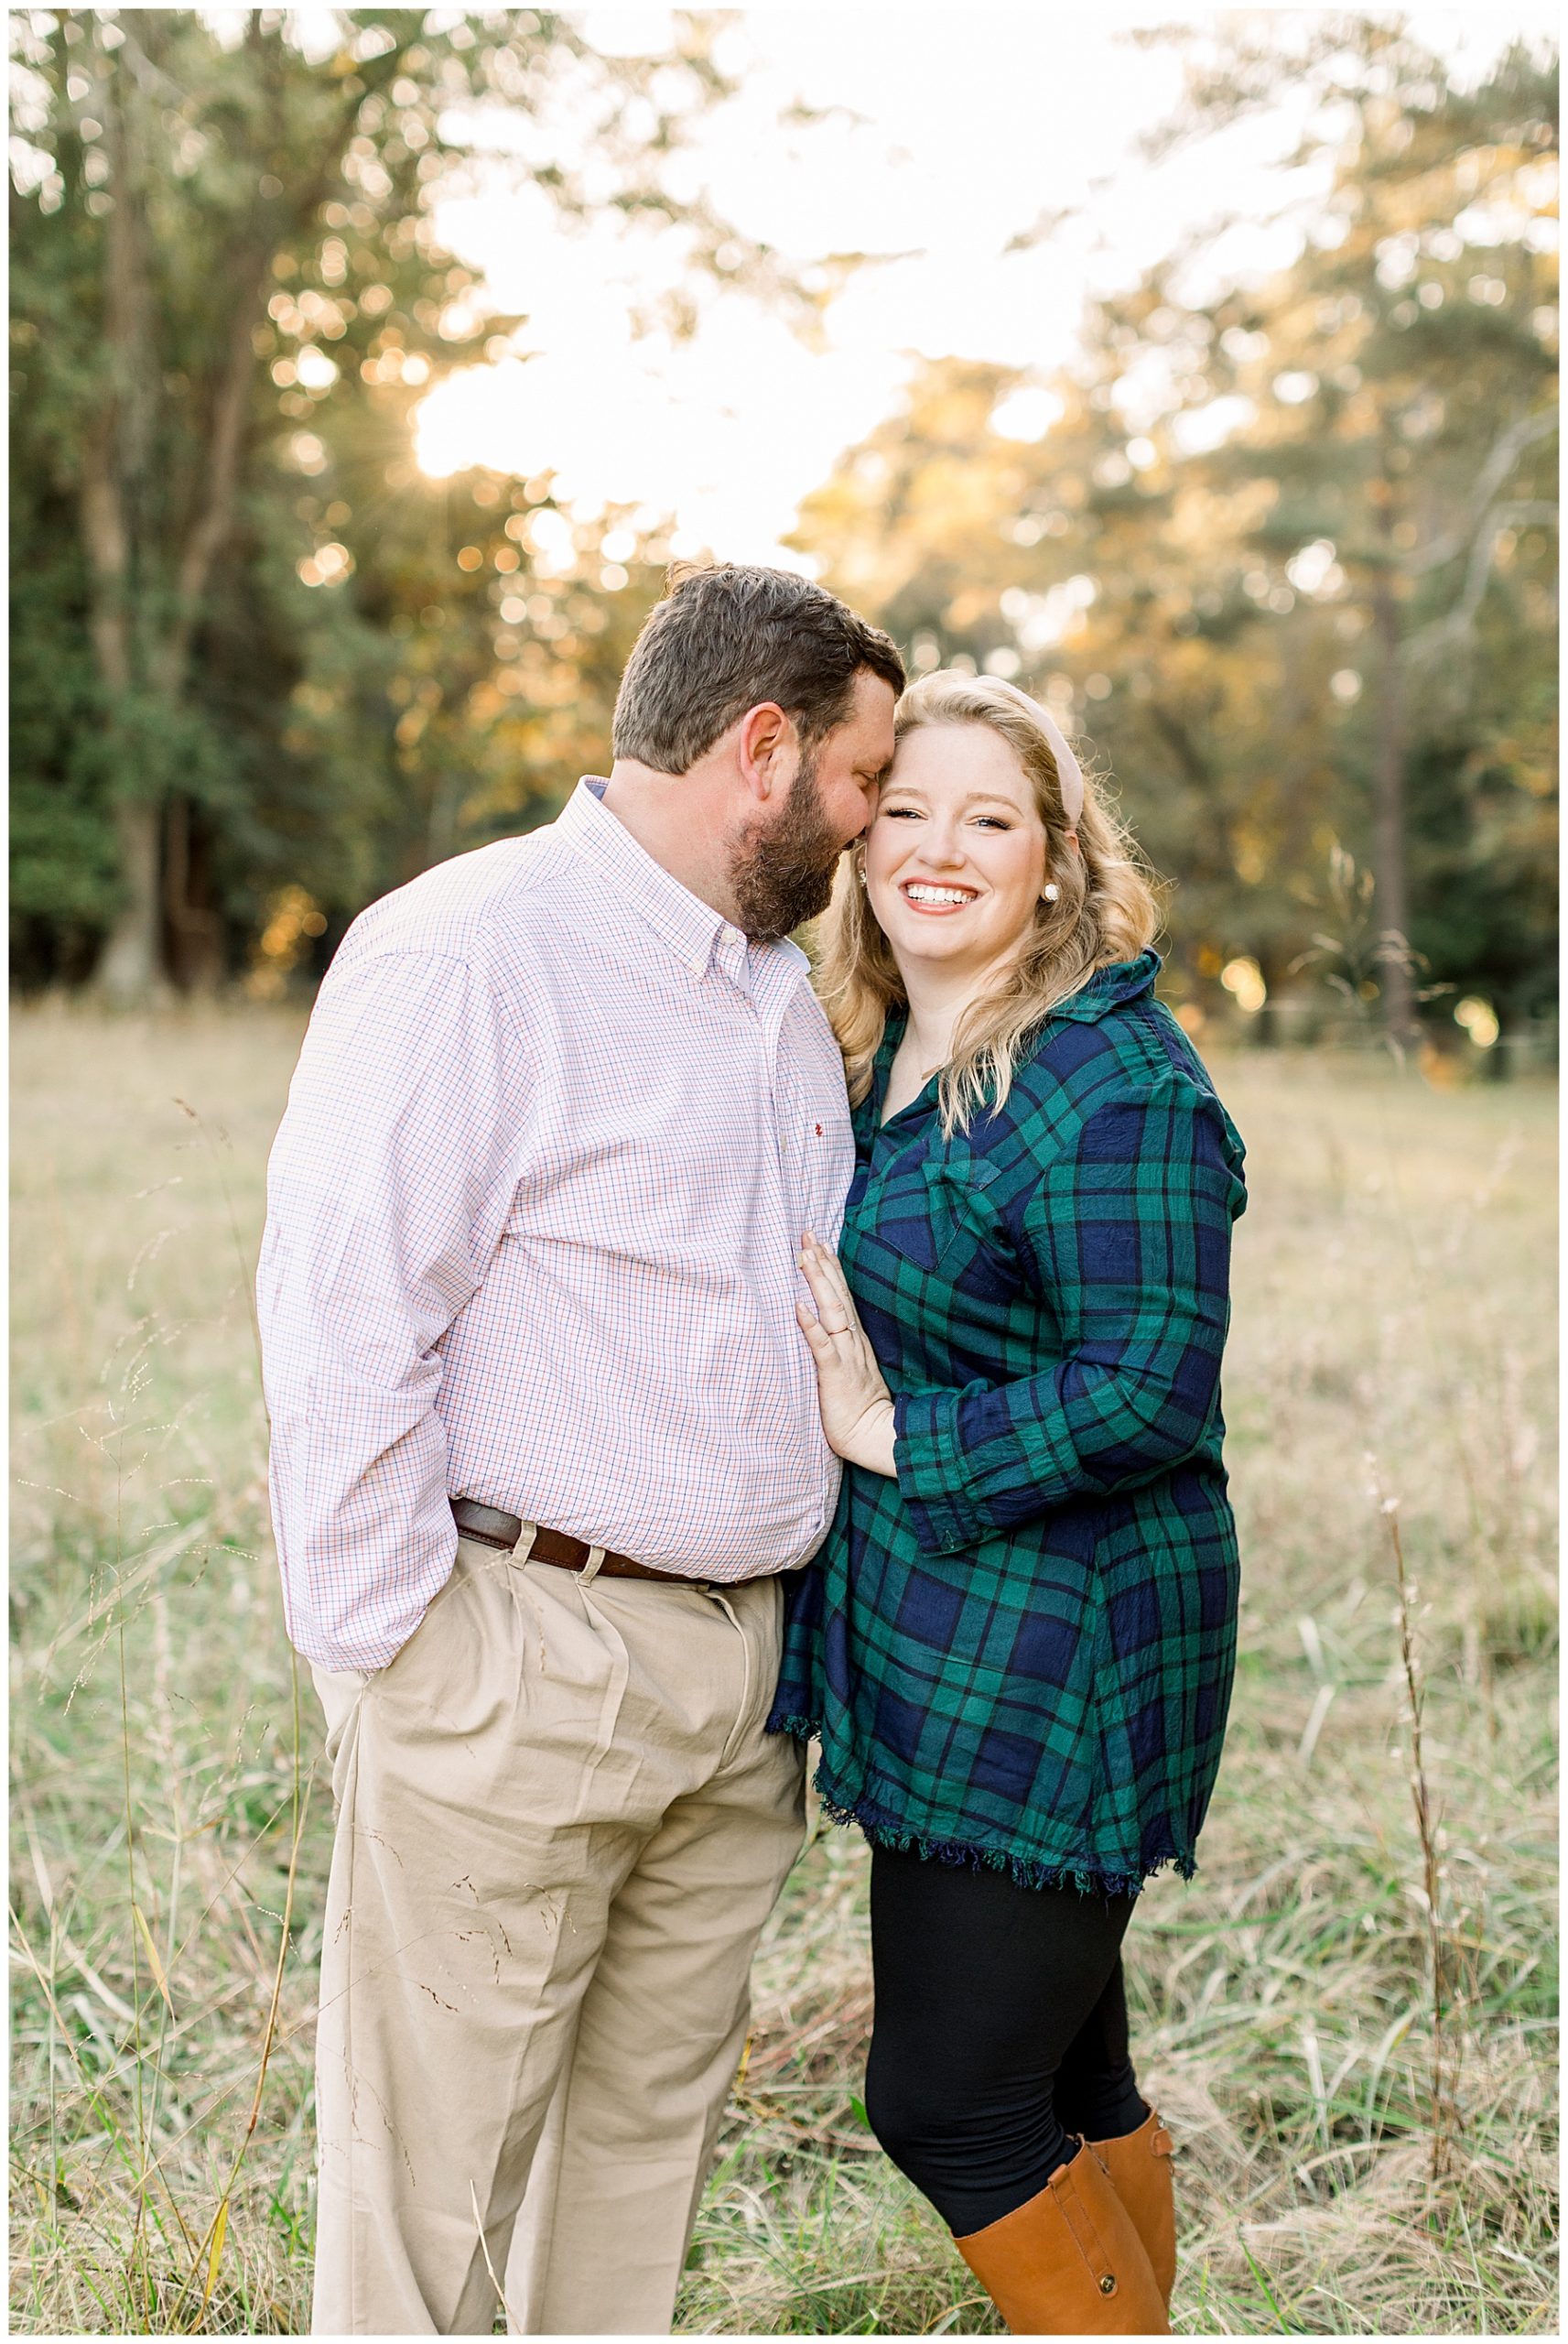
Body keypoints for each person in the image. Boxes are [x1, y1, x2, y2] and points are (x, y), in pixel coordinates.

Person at [256, 561, 903, 2336]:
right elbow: (343, 1309)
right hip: (518, 1660)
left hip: (737, 1680)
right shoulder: (474, 947)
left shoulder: (771, 989)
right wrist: (401, 1647)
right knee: (430, 2200)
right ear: (761, 751)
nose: (870, 822)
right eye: (859, 778)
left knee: (634, 2173)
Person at [772, 669, 1246, 2337]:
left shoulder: (1108, 1078)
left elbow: (1146, 1385)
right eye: (904, 810)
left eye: (989, 819)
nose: (938, 849)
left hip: (1066, 1655)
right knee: (1064, 2063)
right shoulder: (884, 1046)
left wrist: (894, 1436)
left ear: (1055, 859)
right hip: (941, 1635)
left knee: (950, 2104)